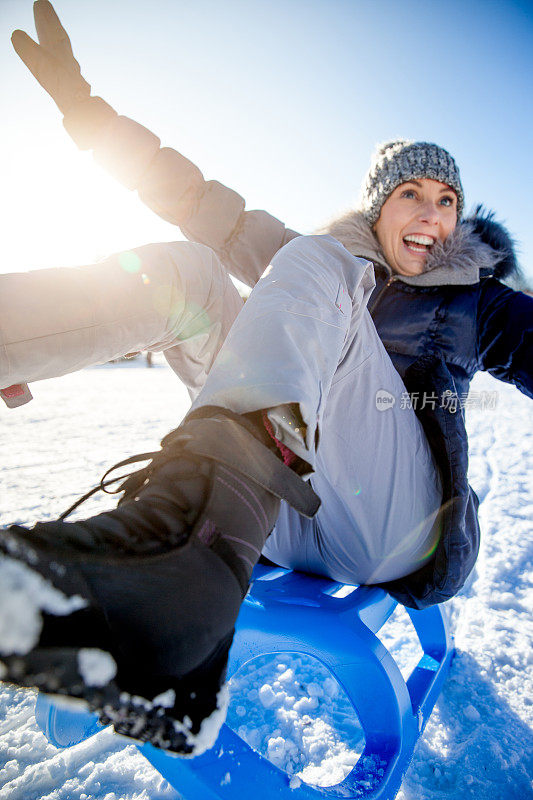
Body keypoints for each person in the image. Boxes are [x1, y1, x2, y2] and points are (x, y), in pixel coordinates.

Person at [1, 1, 532, 756]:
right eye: (410, 193)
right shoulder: (320, 263)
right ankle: (184, 558)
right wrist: (87, 115)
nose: (432, 214)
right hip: (277, 513)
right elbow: (194, 199)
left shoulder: (475, 299)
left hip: (391, 529)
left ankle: (187, 558)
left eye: (445, 200)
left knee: (317, 257)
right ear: (378, 204)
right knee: (188, 273)